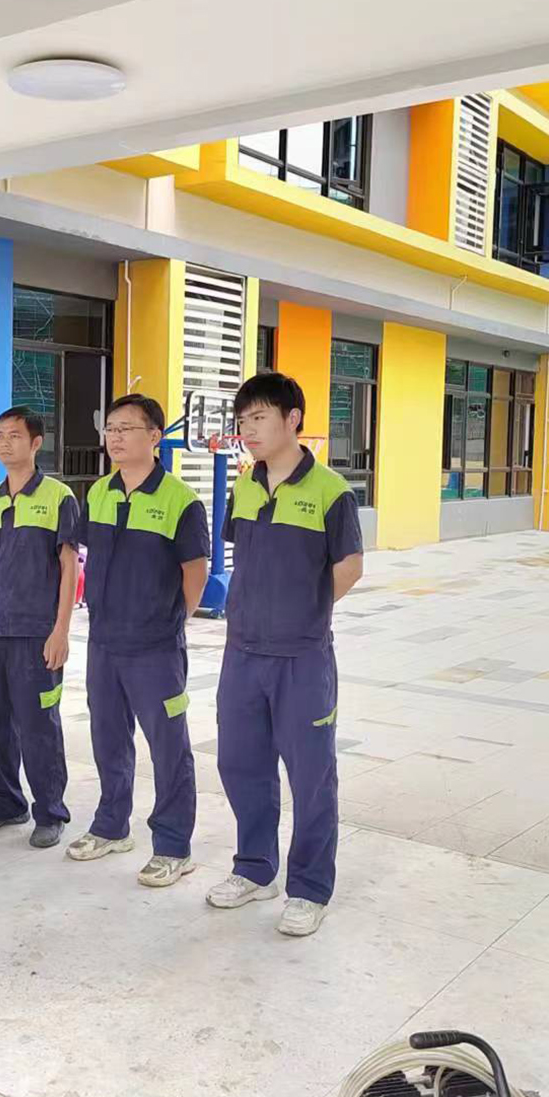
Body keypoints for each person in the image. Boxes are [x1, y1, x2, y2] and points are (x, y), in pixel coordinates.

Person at [209, 372, 363, 938]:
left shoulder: (331, 490)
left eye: (259, 418)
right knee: (240, 764)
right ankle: (255, 869)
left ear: (293, 418)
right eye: (243, 420)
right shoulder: (245, 486)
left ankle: (309, 888)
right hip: (243, 654)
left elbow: (350, 568)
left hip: (301, 658)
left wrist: (301, 613)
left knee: (311, 776)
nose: (248, 430)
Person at [68, 394, 210, 887]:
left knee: (169, 746)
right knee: (108, 736)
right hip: (104, 642)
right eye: (110, 428)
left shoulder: (180, 500)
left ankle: (173, 845)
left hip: (155, 647)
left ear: (154, 436)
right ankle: (111, 826)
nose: (115, 437)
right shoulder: (99, 492)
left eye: (126, 428)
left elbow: (195, 572)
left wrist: (173, 622)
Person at [0, 406, 80, 848]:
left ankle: (50, 812)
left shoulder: (58, 497)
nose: (5, 443)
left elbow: (69, 567)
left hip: (37, 634)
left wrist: (61, 630)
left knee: (39, 726)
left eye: (14, 435)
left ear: (36, 443)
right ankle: (6, 802)